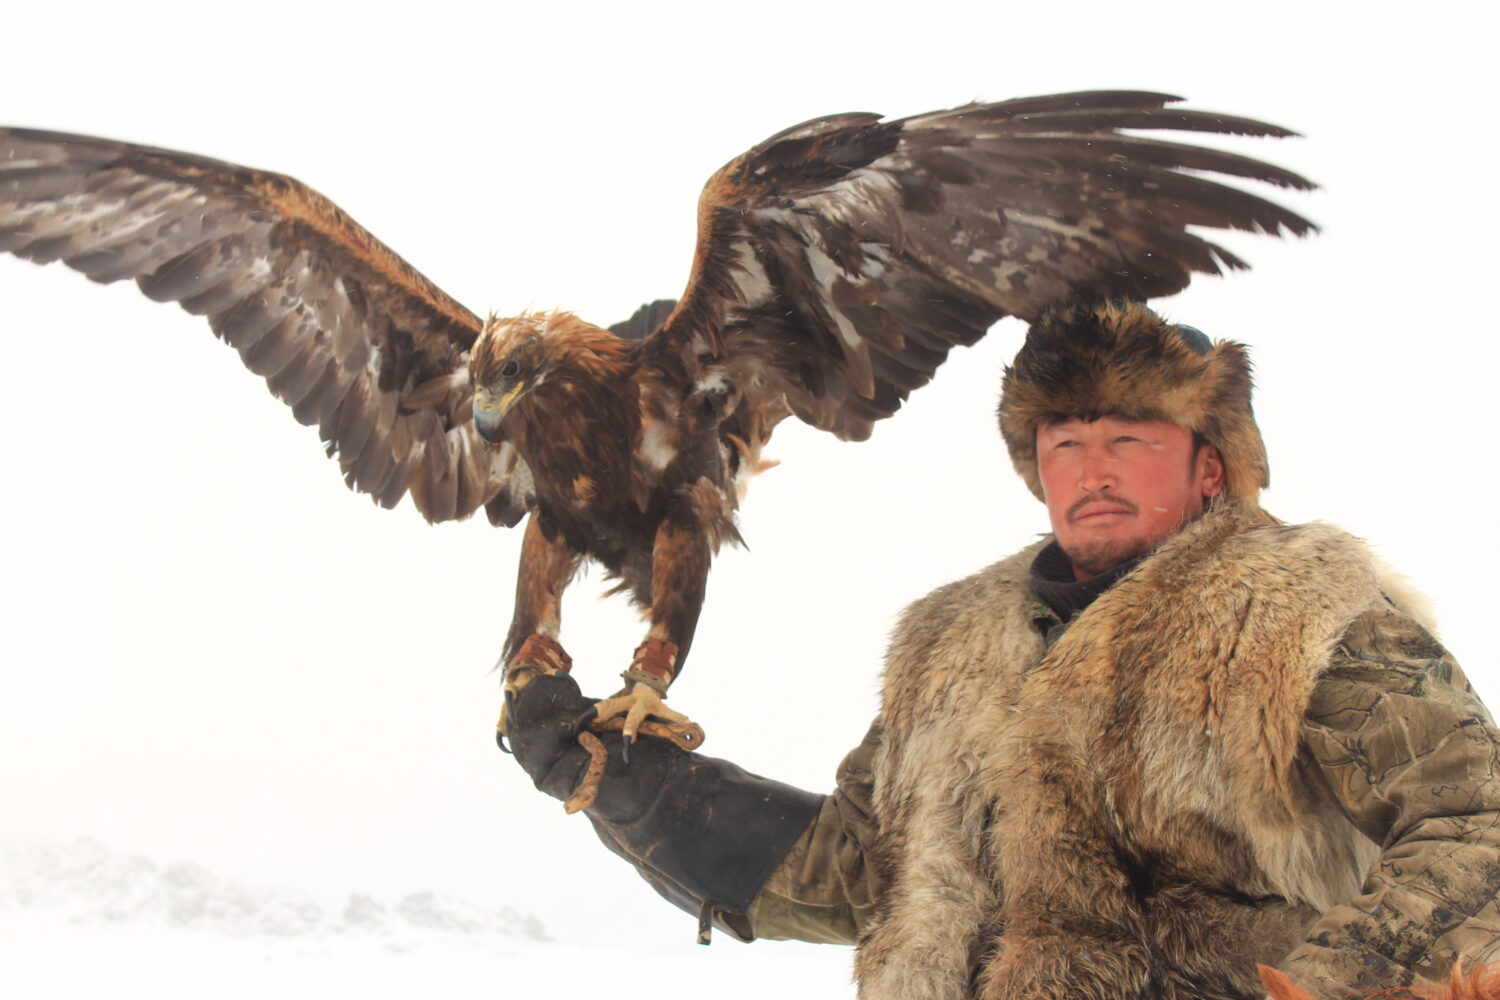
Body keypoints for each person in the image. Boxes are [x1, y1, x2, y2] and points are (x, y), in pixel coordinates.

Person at [503, 301, 1500, 999]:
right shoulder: (949, 643)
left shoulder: (1303, 612)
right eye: (1066, 440)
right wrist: (642, 790)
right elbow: (863, 868)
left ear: (1210, 467)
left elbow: (1474, 822)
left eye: (1132, 438)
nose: (1093, 468)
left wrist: (1321, 987)